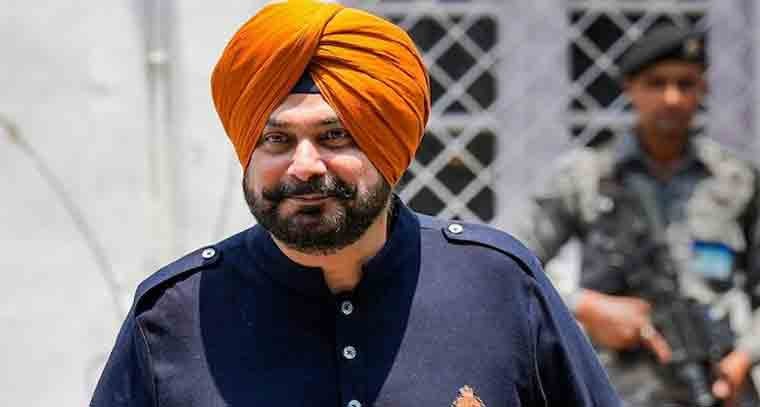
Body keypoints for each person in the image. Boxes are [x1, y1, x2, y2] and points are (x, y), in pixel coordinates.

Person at [90, 1, 620, 406]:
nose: (304, 165)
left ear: (388, 147)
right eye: (276, 140)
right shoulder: (174, 316)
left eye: (335, 136)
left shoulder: (499, 285)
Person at [516, 22, 760, 406]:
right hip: (614, 389)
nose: (672, 98)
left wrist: (743, 357)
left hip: (717, 385)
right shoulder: (587, 176)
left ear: (703, 88)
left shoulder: (737, 180)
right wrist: (586, 307)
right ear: (629, 87)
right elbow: (512, 263)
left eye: (685, 84)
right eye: (656, 83)